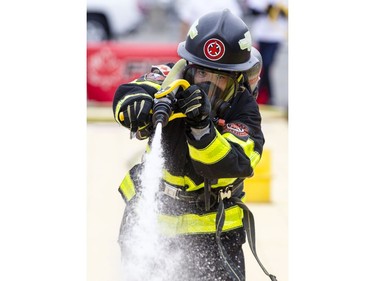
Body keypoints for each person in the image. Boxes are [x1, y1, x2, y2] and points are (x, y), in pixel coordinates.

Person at [113, 9, 276, 281]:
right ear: (189, 65)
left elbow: (233, 165)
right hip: (151, 219)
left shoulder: (244, 110)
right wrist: (135, 104)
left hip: (213, 235)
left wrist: (202, 128)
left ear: (237, 77)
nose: (208, 85)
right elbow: (133, 91)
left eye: (221, 78)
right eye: (202, 72)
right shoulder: (170, 77)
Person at [246, 0, 288, 105]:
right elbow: (252, 9)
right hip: (261, 35)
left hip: (276, 36)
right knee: (261, 66)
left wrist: (279, 9)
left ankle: (264, 95)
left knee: (268, 64)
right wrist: (266, 9)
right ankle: (265, 96)